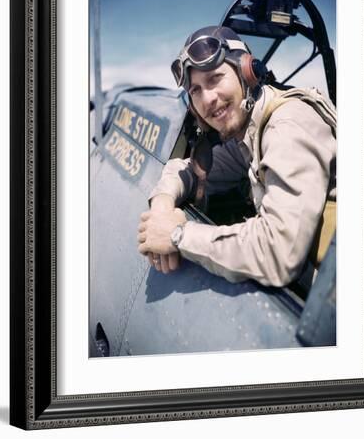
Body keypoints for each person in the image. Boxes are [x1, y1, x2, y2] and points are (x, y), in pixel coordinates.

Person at [137, 26, 336, 287]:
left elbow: (279, 255)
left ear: (247, 74)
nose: (207, 99)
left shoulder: (286, 126)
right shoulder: (250, 133)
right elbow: (189, 171)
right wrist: (162, 206)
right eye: (195, 90)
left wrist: (178, 236)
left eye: (215, 78)